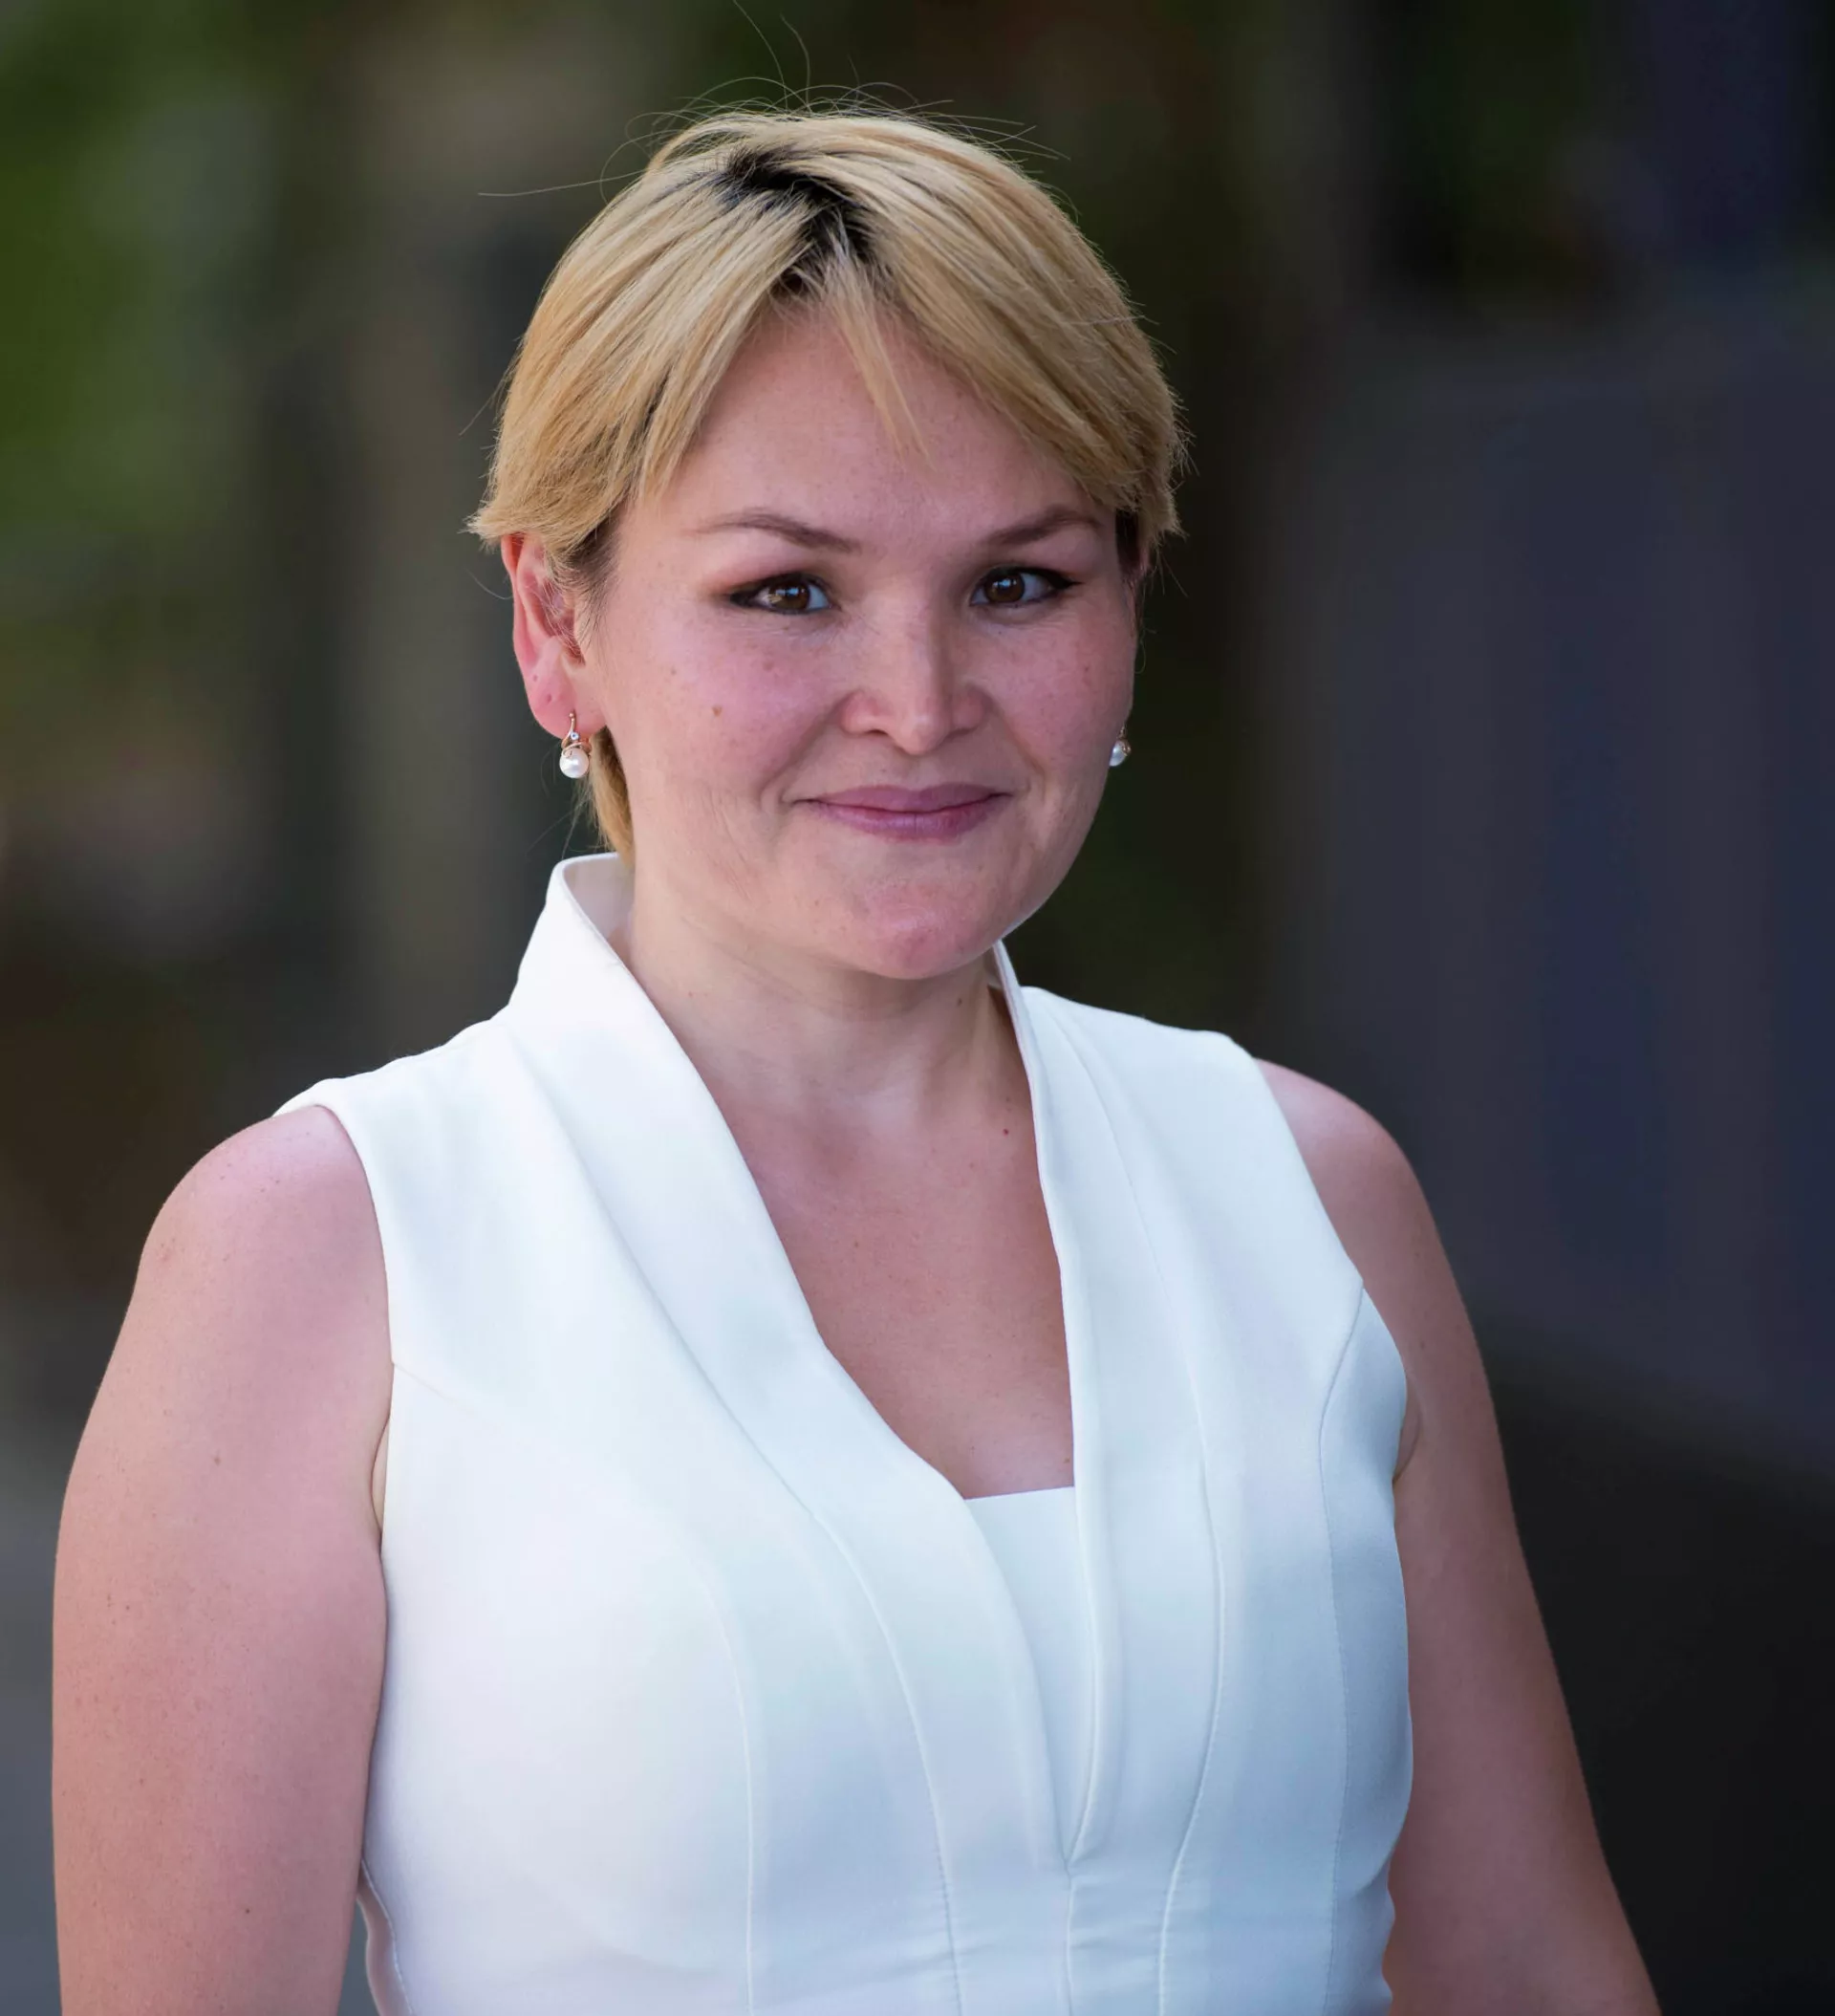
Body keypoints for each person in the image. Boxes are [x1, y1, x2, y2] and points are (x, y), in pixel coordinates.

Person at [52, 109, 1657, 2014]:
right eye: (788, 591)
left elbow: (1526, 1967)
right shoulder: (327, 1257)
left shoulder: (1310, 1195)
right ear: (557, 628)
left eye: (1019, 582)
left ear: (1131, 603)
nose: (917, 703)